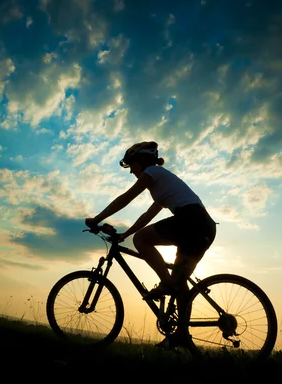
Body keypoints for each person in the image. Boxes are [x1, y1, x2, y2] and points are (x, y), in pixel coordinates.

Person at [85, 141, 217, 347]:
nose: (131, 172)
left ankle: (165, 283)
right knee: (179, 283)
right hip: (204, 227)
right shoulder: (162, 184)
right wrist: (125, 234)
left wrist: (97, 218)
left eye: (131, 166)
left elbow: (126, 198)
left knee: (142, 240)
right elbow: (147, 216)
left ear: (143, 161)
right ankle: (182, 334)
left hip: (190, 220)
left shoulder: (153, 172)